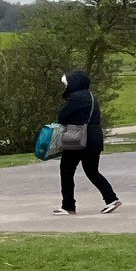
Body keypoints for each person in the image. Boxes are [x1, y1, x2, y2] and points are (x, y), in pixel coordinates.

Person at [50, 70, 120, 216]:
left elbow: (62, 117)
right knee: (92, 171)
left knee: (67, 171)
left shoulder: (76, 97)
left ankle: (68, 205)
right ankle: (111, 198)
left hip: (78, 139)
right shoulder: (91, 96)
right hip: (94, 139)